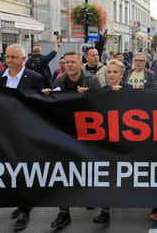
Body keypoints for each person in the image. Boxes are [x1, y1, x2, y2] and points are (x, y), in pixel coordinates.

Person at [0, 44, 44, 230]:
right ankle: (22, 202)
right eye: (7, 57)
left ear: (23, 59)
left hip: (26, 131)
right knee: (10, 168)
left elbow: (44, 103)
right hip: (6, 130)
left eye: (13, 57)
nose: (9, 60)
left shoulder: (35, 78)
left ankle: (24, 208)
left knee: (23, 169)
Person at [44, 51, 101, 230]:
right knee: (64, 171)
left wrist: (88, 95)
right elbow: (53, 106)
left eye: (73, 62)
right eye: (66, 62)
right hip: (66, 132)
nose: (69, 65)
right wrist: (46, 95)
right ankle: (63, 212)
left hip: (88, 132)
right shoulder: (59, 81)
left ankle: (91, 196)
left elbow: (102, 104)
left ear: (80, 63)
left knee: (88, 169)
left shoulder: (91, 80)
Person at [92, 59, 133, 225]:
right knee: (107, 173)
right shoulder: (102, 90)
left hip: (126, 138)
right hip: (107, 138)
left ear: (122, 75)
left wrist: (120, 93)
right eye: (109, 72)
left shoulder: (128, 89)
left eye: (115, 72)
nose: (111, 75)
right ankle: (105, 211)